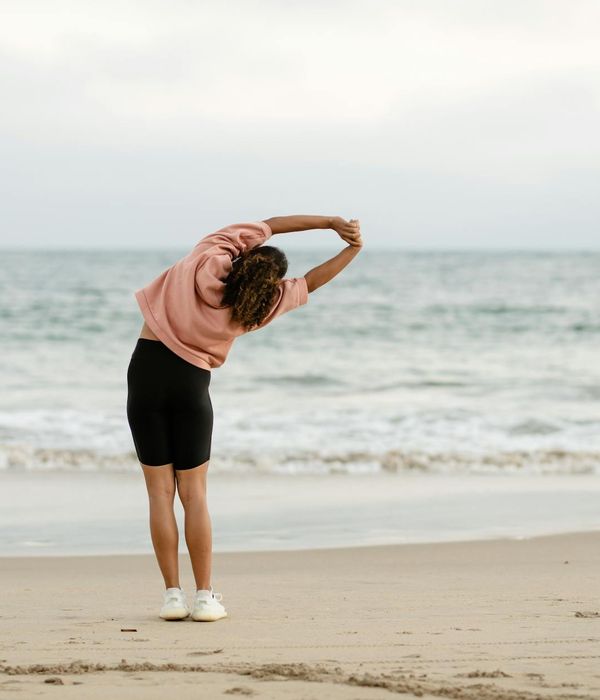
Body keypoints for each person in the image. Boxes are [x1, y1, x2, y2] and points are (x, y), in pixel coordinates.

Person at [126, 214, 363, 621]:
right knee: (194, 495)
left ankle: (171, 597)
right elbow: (312, 282)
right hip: (192, 384)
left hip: (145, 373)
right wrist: (352, 249)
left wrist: (329, 222)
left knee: (159, 494)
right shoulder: (259, 306)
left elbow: (269, 223)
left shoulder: (207, 256)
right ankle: (204, 598)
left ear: (242, 256)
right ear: (271, 285)